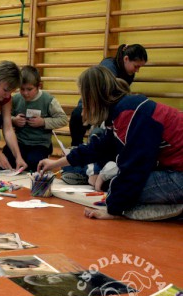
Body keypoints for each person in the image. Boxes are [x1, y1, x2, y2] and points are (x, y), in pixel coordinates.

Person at [38, 65, 183, 221]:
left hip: (178, 175)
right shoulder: (121, 111)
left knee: (119, 189)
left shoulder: (132, 115)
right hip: (174, 169)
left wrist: (113, 210)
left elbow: (134, 168)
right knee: (118, 186)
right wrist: (54, 164)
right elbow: (97, 148)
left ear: (92, 97)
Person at [69, 44, 148, 147]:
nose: (137, 70)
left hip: (106, 104)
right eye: (136, 66)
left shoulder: (129, 72)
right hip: (96, 102)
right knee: (79, 117)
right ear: (126, 58)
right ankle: (75, 146)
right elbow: (100, 95)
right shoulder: (109, 67)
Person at [4, 65, 68, 171]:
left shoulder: (48, 100)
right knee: (7, 161)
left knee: (34, 164)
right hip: (19, 142)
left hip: (40, 143)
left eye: (29, 89)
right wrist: (14, 120)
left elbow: (63, 119)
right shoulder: (15, 99)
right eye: (22, 89)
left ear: (39, 86)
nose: (25, 93)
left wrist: (43, 122)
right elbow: (5, 117)